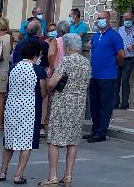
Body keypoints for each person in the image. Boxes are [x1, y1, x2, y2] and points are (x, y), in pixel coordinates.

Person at [44, 33, 91, 186]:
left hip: (62, 103)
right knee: (73, 141)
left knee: (54, 139)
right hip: (78, 104)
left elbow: (52, 83)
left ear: (67, 47)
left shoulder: (66, 61)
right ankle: (68, 175)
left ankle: (53, 176)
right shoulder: (86, 62)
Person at [0, 39, 44, 185]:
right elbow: (43, 91)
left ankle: (3, 171)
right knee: (26, 143)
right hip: (29, 109)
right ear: (36, 55)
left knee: (9, 141)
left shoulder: (14, 67)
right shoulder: (38, 70)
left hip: (12, 107)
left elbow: (8, 86)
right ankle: (18, 175)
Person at [85, 10, 125, 143]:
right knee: (94, 104)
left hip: (107, 76)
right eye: (98, 18)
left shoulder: (114, 36)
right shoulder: (96, 36)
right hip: (94, 75)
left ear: (108, 20)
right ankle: (95, 130)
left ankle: (101, 132)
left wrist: (116, 65)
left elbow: (121, 54)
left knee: (105, 105)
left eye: (102, 18)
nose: (99, 20)